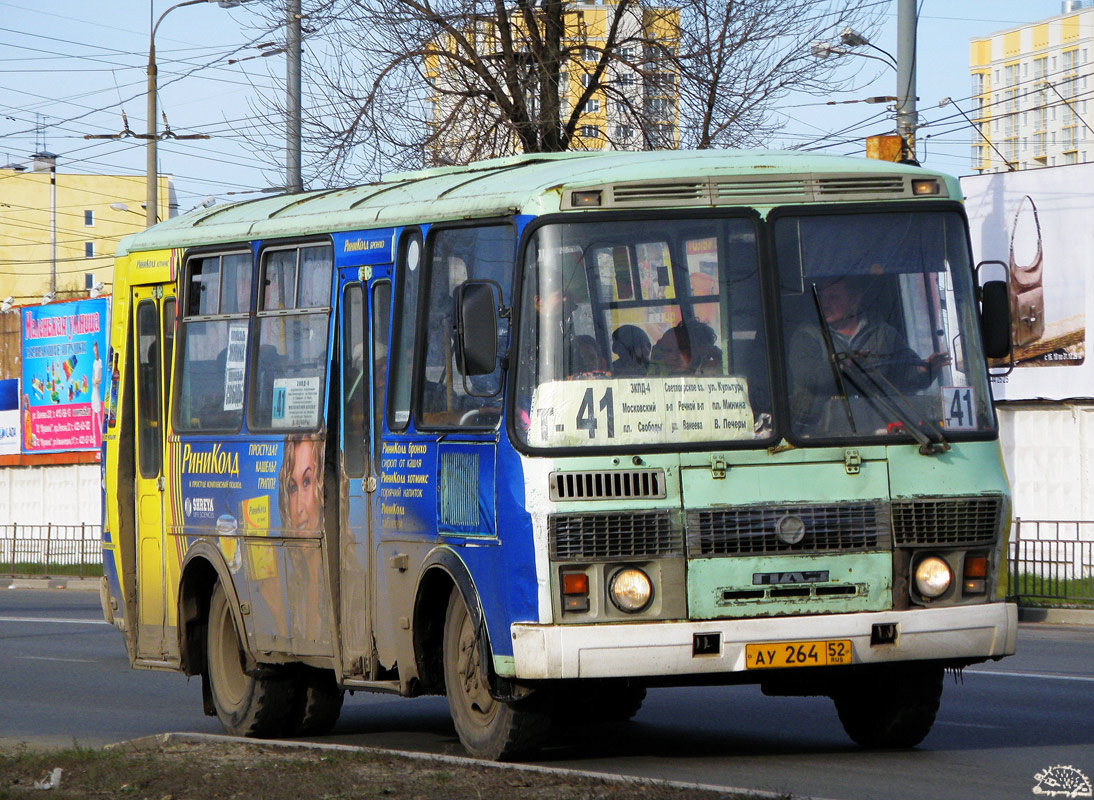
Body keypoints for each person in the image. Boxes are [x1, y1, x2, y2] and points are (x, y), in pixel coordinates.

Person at [788, 277, 949, 427]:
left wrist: (924, 370)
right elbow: (806, 375)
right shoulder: (807, 335)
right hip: (816, 431)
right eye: (822, 298)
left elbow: (904, 375)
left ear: (855, 300)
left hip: (875, 429)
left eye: (834, 297)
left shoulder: (883, 334)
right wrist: (842, 368)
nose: (825, 304)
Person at [650, 321, 722, 376]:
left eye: (682, 350)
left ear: (699, 349)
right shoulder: (656, 377)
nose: (674, 357)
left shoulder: (713, 375)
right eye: (668, 351)